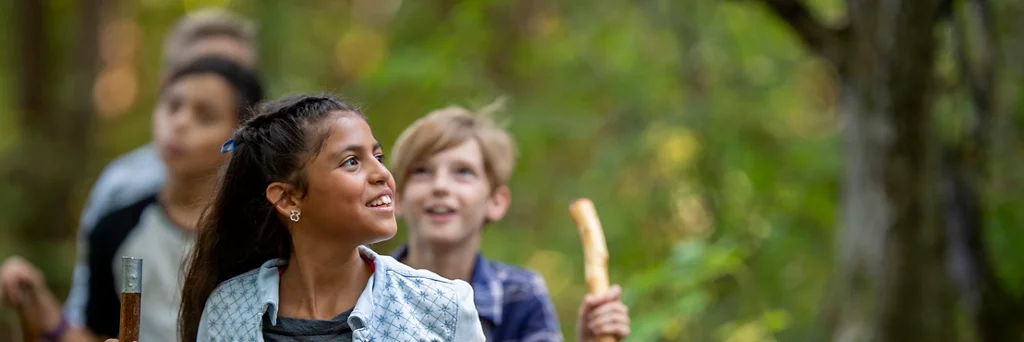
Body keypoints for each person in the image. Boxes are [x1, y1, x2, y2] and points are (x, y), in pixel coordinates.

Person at [178, 94, 485, 341]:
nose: (382, 174)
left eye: (378, 157)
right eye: (351, 162)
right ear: (288, 198)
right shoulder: (228, 309)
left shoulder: (443, 307)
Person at [0, 57, 265, 342]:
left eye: (204, 116)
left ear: (240, 134)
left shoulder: (260, 234)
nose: (179, 123)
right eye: (172, 106)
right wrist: (39, 304)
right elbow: (97, 336)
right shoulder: (115, 228)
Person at [68, 9, 257, 328]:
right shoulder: (122, 188)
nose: (216, 76)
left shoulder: (267, 203)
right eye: (202, 65)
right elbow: (87, 305)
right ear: (167, 85)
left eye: (233, 71)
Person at [387, 103, 632, 341]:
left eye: (463, 172)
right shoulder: (368, 291)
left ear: (495, 201)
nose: (440, 186)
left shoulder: (520, 295)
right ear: (396, 197)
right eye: (421, 171)